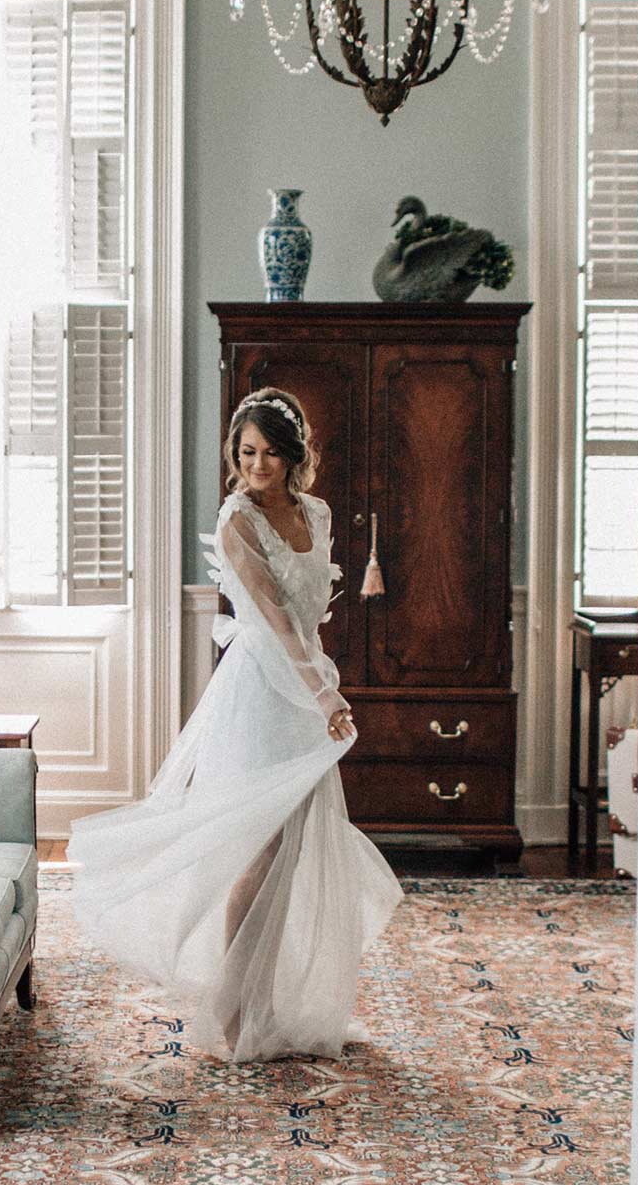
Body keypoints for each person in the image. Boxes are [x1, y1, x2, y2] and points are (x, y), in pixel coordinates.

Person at [68, 387, 403, 1060]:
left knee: (297, 847)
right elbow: (275, 618)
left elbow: (309, 615)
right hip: (262, 690)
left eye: (269, 453)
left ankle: (272, 1001)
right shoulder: (237, 521)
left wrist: (320, 687)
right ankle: (231, 1007)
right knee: (262, 846)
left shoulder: (316, 512)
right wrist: (323, 695)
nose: (256, 466)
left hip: (307, 683)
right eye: (246, 453)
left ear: (292, 455)